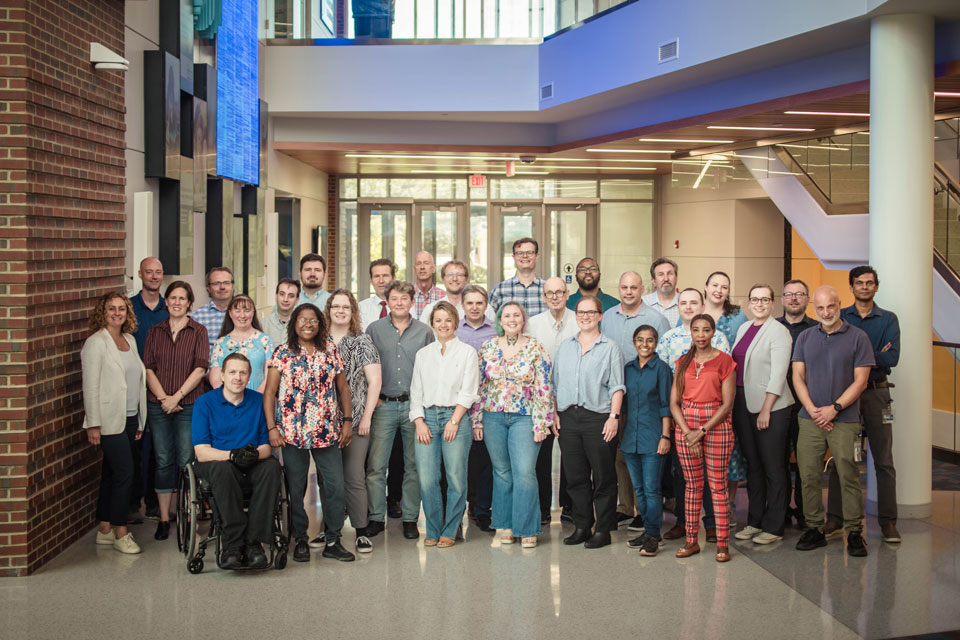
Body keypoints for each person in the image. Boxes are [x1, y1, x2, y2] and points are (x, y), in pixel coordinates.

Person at [264, 303, 356, 563]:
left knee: (335, 486)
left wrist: (347, 422)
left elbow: (343, 390)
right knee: (296, 487)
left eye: (313, 320)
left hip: (327, 431)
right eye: (302, 320)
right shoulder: (282, 353)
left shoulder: (330, 352)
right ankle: (301, 539)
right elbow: (270, 392)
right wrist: (272, 427)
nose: (308, 324)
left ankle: (333, 539)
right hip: (292, 433)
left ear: (320, 324)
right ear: (294, 324)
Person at [792, 286, 874, 557]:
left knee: (848, 475)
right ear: (813, 308)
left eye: (831, 307)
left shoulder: (858, 337)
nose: (826, 312)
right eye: (820, 308)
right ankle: (815, 528)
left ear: (841, 305)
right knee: (808, 476)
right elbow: (797, 377)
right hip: (809, 418)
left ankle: (853, 532)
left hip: (845, 419)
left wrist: (834, 408)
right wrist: (814, 409)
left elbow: (861, 381)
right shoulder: (805, 337)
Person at [473, 301, 554, 548]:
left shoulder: (535, 347)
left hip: (524, 416)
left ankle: (527, 527)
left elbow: (544, 387)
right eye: (506, 315)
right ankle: (505, 524)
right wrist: (477, 419)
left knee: (525, 472)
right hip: (493, 415)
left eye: (516, 315)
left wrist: (542, 423)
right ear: (499, 320)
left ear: (523, 320)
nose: (511, 319)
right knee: (501, 472)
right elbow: (479, 386)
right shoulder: (487, 347)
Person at [191, 353, 282, 570]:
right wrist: (232, 455)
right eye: (232, 372)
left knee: (272, 467)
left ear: (249, 376)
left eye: (243, 372)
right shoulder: (204, 403)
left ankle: (254, 543)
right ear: (222, 375)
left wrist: (253, 455)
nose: (237, 377)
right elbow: (201, 451)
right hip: (216, 461)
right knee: (224, 471)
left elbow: (267, 445)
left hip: (251, 460)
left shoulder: (258, 401)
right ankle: (232, 544)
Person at [831, 266, 901, 543]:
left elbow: (892, 357)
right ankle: (836, 518)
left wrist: (857, 358)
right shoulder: (840, 316)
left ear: (876, 287)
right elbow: (836, 357)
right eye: (859, 283)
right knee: (841, 457)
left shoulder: (888, 319)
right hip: (846, 396)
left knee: (883, 460)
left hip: (876, 394)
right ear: (851, 287)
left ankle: (888, 523)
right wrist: (873, 353)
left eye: (869, 283)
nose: (864, 287)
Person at [656, 288, 729, 542]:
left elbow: (725, 386)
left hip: (712, 418)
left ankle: (711, 524)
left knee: (711, 477)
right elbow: (666, 379)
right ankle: (684, 523)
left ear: (702, 306)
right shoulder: (669, 339)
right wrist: (684, 427)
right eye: (683, 303)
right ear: (678, 307)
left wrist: (702, 429)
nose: (688, 307)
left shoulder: (718, 342)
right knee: (683, 475)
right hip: (682, 417)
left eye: (693, 302)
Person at [553, 295, 625, 549]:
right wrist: (555, 414)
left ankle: (603, 529)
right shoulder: (565, 347)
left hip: (599, 418)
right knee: (575, 476)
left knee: (603, 476)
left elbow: (617, 386)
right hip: (568, 418)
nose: (585, 316)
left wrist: (613, 417)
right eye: (581, 312)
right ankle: (582, 526)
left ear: (600, 315)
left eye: (591, 312)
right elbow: (555, 384)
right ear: (576, 316)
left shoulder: (610, 347)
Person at [365, 280, 435, 539]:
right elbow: (366, 367)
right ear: (387, 301)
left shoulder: (424, 332)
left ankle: (409, 518)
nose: (399, 303)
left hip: (413, 407)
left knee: (413, 465)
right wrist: (375, 400)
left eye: (404, 299)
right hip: (383, 405)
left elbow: (430, 369)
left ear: (411, 301)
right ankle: (375, 517)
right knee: (375, 466)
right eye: (394, 299)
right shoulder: (374, 330)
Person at [601, 271, 669, 528]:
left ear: (642, 290)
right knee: (621, 456)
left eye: (633, 288)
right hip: (616, 398)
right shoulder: (607, 317)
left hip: (647, 397)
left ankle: (646, 515)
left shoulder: (656, 319)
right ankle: (625, 506)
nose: (628, 292)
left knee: (647, 466)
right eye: (624, 287)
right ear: (618, 289)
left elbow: (662, 360)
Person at [81, 292, 147, 555]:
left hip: (130, 417)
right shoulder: (96, 343)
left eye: (122, 308)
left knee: (110, 473)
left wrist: (140, 419)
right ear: (103, 312)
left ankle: (104, 528)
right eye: (111, 308)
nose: (117, 313)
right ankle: (121, 532)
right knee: (125, 473)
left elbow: (136, 380)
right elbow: (91, 386)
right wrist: (93, 424)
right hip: (108, 420)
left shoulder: (129, 340)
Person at [410, 301, 480, 547]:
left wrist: (454, 420)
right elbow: (416, 391)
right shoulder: (423, 354)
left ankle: (451, 529)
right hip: (427, 418)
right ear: (432, 324)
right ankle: (433, 528)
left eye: (448, 320)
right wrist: (419, 421)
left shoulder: (467, 353)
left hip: (456, 419)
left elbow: (469, 391)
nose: (443, 324)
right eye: (438, 320)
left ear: (456, 323)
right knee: (428, 479)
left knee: (456, 477)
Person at [731, 285, 795, 545]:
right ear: (748, 302)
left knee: (773, 467)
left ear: (772, 303)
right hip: (743, 404)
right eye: (754, 299)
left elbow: (778, 375)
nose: (759, 304)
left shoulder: (779, 333)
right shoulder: (745, 328)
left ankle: (774, 525)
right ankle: (755, 521)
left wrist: (766, 409)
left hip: (773, 408)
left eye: (764, 300)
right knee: (753, 466)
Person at [143, 281, 208, 541]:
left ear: (189, 303)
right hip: (158, 404)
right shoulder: (154, 331)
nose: (177, 302)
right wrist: (163, 398)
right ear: (166, 301)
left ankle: (187, 514)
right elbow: (148, 367)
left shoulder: (198, 331)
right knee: (162, 460)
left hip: (188, 403)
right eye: (172, 298)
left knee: (185, 460)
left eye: (182, 298)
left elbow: (201, 367)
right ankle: (164, 518)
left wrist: (177, 396)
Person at [670, 314, 736, 563]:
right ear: (691, 332)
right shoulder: (682, 362)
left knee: (717, 487)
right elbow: (673, 402)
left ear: (713, 332)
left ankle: (722, 544)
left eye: (706, 330)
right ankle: (690, 541)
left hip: (715, 425)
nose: (700, 335)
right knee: (692, 486)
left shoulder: (724, 361)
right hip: (686, 425)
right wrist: (688, 432)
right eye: (696, 330)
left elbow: (727, 404)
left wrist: (703, 431)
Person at [320, 289, 382, 554]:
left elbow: (375, 381)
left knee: (354, 476)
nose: (341, 311)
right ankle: (330, 530)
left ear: (353, 311)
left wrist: (367, 416)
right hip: (322, 423)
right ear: (329, 309)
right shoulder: (318, 341)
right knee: (328, 479)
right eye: (336, 306)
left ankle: (360, 530)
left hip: (356, 420)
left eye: (346, 307)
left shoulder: (361, 341)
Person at [526, 276, 577, 524]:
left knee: (570, 455)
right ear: (543, 297)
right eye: (550, 293)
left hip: (570, 397)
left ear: (568, 294)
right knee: (541, 457)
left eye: (560, 292)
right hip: (541, 400)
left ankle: (568, 506)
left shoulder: (579, 320)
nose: (555, 296)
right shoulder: (533, 324)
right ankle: (543, 507)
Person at [621, 325, 672, 556]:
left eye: (650, 340)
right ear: (634, 342)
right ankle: (648, 529)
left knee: (652, 490)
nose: (645, 344)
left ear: (656, 342)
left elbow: (666, 405)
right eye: (640, 339)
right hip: (631, 438)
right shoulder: (628, 369)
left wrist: (665, 436)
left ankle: (653, 535)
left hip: (653, 437)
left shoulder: (662, 369)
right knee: (639, 489)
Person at [703, 270, 749, 524]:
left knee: (730, 451)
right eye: (715, 285)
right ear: (706, 287)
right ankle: (705, 505)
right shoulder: (694, 311)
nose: (719, 290)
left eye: (724, 286)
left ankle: (729, 504)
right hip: (699, 392)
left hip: (728, 390)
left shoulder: (737, 316)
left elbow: (741, 352)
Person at [456, 285, 498, 532]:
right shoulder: (452, 329)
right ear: (463, 305)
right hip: (457, 402)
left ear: (486, 305)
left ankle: (482, 509)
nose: (474, 307)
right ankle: (457, 509)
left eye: (479, 303)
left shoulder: (495, 331)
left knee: (484, 460)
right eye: (469, 303)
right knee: (458, 460)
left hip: (487, 402)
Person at [776, 279, 817, 531]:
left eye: (799, 294)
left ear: (807, 299)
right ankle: (780, 511)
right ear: (781, 300)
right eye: (789, 295)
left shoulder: (816, 329)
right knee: (778, 461)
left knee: (806, 462)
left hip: (806, 405)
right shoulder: (771, 328)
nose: (793, 299)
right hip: (778, 404)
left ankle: (805, 512)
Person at [129, 257, 167, 521]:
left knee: (158, 447)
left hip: (163, 387)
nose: (154, 277)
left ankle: (154, 503)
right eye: (149, 272)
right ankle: (132, 503)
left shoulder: (170, 307)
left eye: (158, 273)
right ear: (140, 274)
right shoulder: (130, 308)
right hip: (134, 387)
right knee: (135, 446)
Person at [209, 295, 274, 392]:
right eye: (237, 311)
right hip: (228, 403)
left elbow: (270, 378)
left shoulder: (265, 340)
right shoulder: (221, 343)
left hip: (258, 399)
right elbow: (215, 380)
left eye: (247, 311)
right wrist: (229, 400)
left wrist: (255, 399)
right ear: (230, 313)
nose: (242, 315)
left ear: (253, 313)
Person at [422, 259, 494, 323]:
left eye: (459, 275)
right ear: (443, 278)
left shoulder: (485, 309)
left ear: (466, 279)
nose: (454, 278)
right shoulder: (430, 309)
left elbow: (496, 334)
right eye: (450, 274)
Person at [489, 237, 546, 317]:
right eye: (520, 253)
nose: (525, 256)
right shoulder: (499, 290)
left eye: (529, 252)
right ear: (514, 257)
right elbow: (490, 322)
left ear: (537, 256)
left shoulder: (548, 289)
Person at [191, 266, 234, 354]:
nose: (222, 287)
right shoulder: (197, 317)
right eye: (216, 283)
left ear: (232, 286)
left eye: (226, 282)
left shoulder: (244, 315)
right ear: (208, 288)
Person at [262, 278, 300, 345]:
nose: (285, 299)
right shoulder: (262, 324)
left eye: (291, 296)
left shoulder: (301, 325)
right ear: (276, 296)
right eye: (282, 294)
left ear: (297, 300)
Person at [359, 258, 395, 330]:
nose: (381, 281)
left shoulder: (405, 307)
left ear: (393, 279)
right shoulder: (361, 308)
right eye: (377, 276)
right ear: (371, 281)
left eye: (385, 275)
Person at [642, 258, 680, 326]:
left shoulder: (686, 303)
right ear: (653, 281)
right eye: (661, 274)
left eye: (670, 274)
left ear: (676, 278)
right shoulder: (643, 303)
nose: (666, 279)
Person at [412, 250, 446, 319]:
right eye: (418, 264)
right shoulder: (406, 295)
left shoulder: (443, 297)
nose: (422, 267)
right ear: (414, 269)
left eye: (426, 263)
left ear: (433, 268)